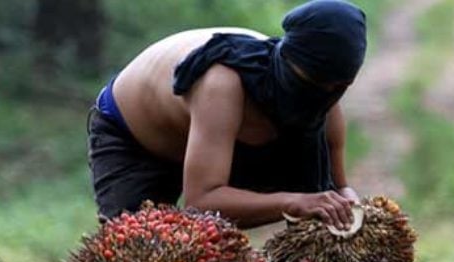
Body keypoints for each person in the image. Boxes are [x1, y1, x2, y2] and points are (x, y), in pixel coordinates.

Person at [87, 0, 367, 230]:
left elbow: (336, 188)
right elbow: (202, 202)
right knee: (138, 252)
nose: (324, 96)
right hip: (136, 137)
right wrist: (294, 202)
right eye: (313, 83)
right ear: (288, 61)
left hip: (212, 145)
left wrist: (349, 206)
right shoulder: (222, 84)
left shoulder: (323, 100)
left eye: (337, 89)